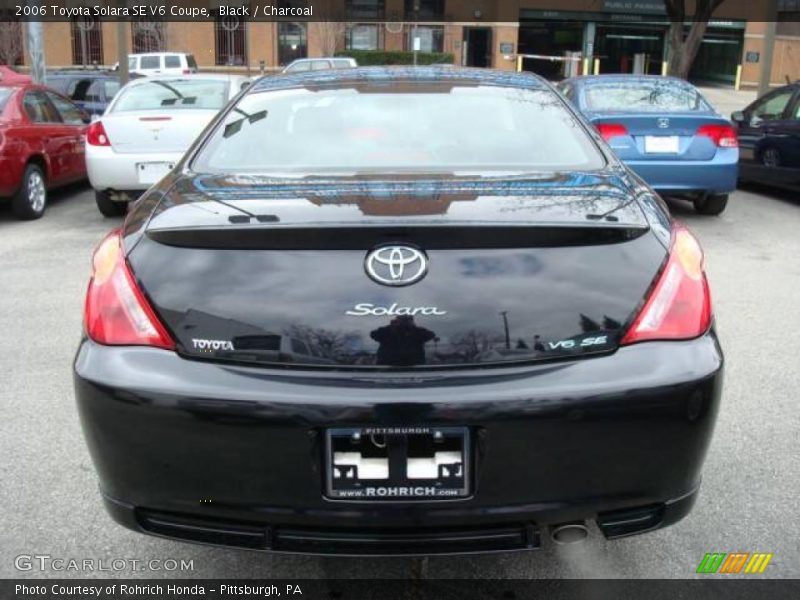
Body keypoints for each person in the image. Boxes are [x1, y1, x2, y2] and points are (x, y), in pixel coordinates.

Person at [370, 316, 436, 366]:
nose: (403, 323)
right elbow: (373, 334)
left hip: (416, 367)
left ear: (411, 321)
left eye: (406, 321)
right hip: (386, 367)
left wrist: (413, 327)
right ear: (396, 321)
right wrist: (391, 327)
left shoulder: (417, 332)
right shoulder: (387, 331)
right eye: (401, 320)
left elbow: (431, 335)